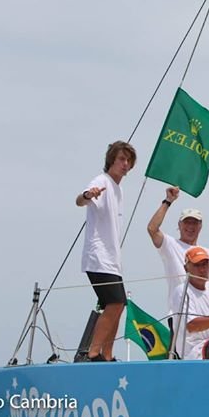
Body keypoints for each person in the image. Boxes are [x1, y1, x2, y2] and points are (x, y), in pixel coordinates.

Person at [76, 140, 136, 362]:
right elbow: (79, 199)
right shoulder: (101, 181)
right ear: (111, 160)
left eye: (128, 161)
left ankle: (108, 354)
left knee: (119, 306)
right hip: (98, 256)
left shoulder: (118, 189)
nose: (125, 164)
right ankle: (93, 353)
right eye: (121, 159)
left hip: (113, 260)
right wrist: (88, 195)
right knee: (114, 303)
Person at [147, 186, 209, 307]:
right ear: (179, 224)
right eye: (187, 222)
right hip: (180, 309)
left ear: (200, 226)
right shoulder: (170, 244)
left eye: (194, 223)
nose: (190, 227)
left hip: (205, 310)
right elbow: (152, 229)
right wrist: (168, 201)